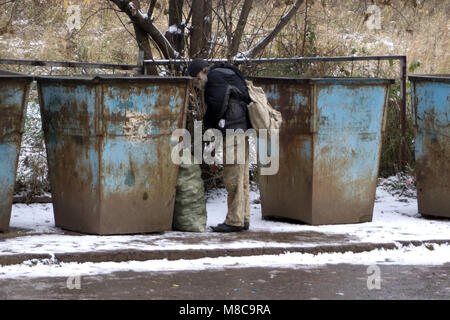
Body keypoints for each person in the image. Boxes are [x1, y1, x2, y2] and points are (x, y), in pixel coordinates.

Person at [187, 58, 251, 233]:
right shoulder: (226, 72)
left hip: (232, 130)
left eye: (197, 79)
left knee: (233, 177)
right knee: (242, 177)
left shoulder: (215, 78)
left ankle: (234, 221)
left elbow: (216, 107)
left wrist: (207, 126)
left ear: (203, 71)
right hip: (242, 127)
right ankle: (243, 217)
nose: (197, 83)